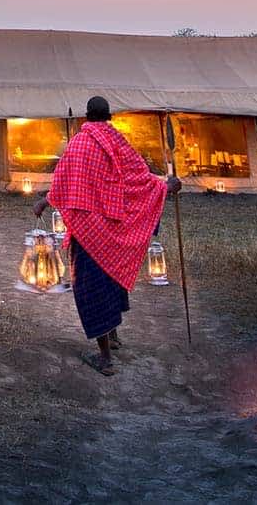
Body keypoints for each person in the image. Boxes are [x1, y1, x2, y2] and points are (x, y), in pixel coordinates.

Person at [35, 96, 180, 375]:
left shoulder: (79, 144)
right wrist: (166, 186)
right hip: (114, 233)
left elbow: (64, 180)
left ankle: (105, 358)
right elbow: (140, 179)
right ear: (109, 116)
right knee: (111, 282)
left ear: (86, 116)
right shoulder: (120, 143)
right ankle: (112, 337)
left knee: (91, 290)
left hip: (89, 232)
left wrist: (44, 201)